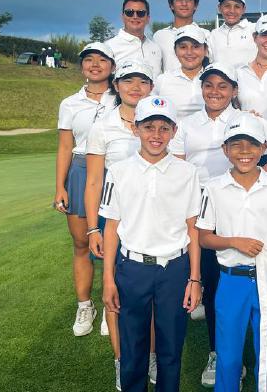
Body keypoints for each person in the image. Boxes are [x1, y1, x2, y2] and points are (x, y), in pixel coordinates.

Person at [168, 62, 267, 388]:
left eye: (223, 86)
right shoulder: (187, 125)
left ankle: (258, 358)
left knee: (248, 283)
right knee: (214, 285)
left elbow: (265, 153)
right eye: (209, 85)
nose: (215, 91)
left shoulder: (247, 121)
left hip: (238, 204)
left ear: (234, 91)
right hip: (202, 207)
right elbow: (180, 168)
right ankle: (219, 352)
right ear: (202, 89)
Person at [100, 96, 202, 392]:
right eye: (148, 127)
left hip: (174, 268)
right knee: (133, 347)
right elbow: (111, 228)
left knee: (171, 348)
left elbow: (192, 228)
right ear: (135, 129)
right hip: (132, 268)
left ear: (173, 130)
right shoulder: (119, 171)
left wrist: (194, 278)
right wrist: (108, 279)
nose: (156, 135)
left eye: (163, 128)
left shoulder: (188, 172)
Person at [196, 112, 267, 391]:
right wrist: (234, 241)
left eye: (251, 144)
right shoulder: (214, 188)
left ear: (263, 148)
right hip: (231, 280)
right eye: (236, 144)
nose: (245, 152)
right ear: (225, 150)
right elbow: (204, 238)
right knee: (228, 355)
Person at [85, 59, 156, 390]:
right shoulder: (103, 126)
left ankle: (150, 357)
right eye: (128, 81)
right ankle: (122, 360)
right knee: (115, 293)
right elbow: (94, 180)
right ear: (116, 84)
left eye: (142, 81)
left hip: (152, 221)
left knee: (152, 295)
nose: (135, 87)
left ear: (151, 88)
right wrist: (92, 228)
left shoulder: (161, 121)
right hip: (113, 220)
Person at [55, 42, 116, 338]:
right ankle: (85, 305)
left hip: (115, 170)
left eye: (102, 60)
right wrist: (60, 187)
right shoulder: (70, 103)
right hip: (81, 170)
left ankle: (110, 304)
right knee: (81, 242)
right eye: (89, 60)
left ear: (112, 67)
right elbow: (65, 146)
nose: (95, 64)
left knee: (116, 243)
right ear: (81, 67)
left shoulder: (123, 97)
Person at [153, 0, 212, 73]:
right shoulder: (159, 36)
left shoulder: (207, 35)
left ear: (195, 5)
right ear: (171, 5)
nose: (184, 3)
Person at [153, 25, 208, 119]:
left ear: (205, 50)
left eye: (195, 46)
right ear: (175, 51)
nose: (189, 52)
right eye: (183, 47)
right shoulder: (163, 80)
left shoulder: (216, 79)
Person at [105, 0, 163, 79]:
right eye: (129, 12)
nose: (135, 16)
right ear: (123, 17)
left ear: (148, 18)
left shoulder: (155, 48)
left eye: (141, 13)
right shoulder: (109, 47)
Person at [209, 0, 256, 69]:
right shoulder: (213, 34)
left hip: (249, 81)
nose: (232, 11)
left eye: (237, 6)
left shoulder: (254, 29)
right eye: (227, 6)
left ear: (244, 9)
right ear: (219, 8)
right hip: (222, 81)